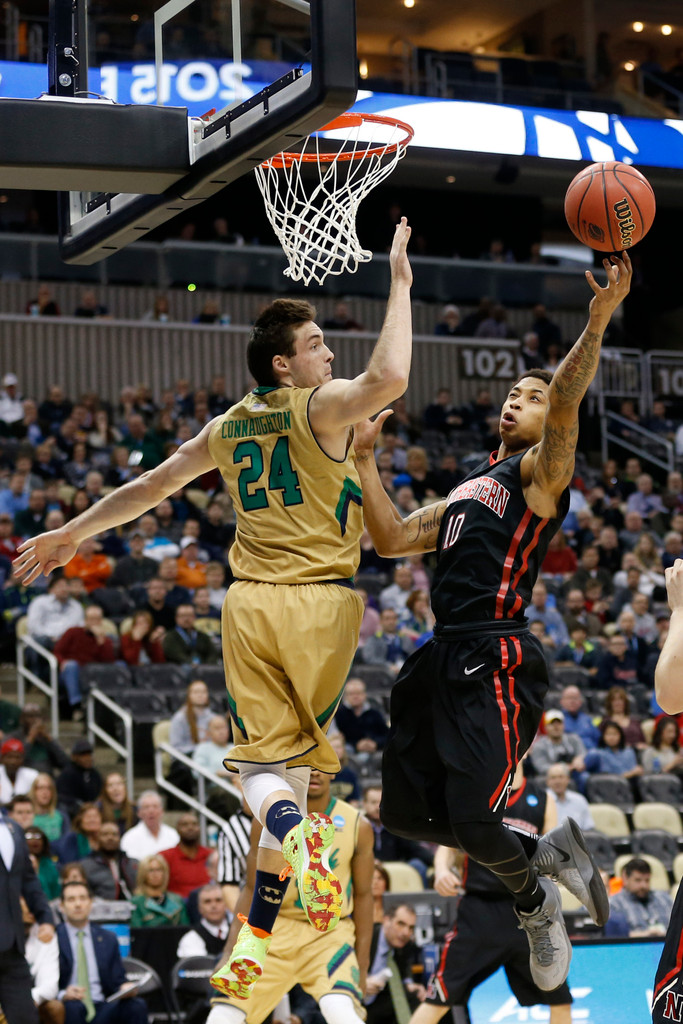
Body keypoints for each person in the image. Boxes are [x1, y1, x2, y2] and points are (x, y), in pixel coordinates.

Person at [14, 220, 415, 1001]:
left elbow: (147, 489)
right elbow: (390, 377)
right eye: (316, 344)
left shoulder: (227, 427)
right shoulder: (318, 408)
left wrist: (70, 531)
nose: (328, 354)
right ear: (283, 363)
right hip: (324, 609)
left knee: (266, 778)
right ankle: (278, 902)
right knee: (291, 779)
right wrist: (397, 281)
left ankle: (280, 884)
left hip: (252, 605)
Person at [352, 253, 631, 992]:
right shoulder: (466, 489)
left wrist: (597, 316)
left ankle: (535, 901)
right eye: (511, 393)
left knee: (476, 823)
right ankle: (549, 853)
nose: (517, 400)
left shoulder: (539, 477)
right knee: (409, 818)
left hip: (496, 659)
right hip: (438, 658)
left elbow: (568, 399)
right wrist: (363, 461)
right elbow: (385, 540)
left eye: (530, 397)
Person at [207, 767, 373, 1024]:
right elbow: (252, 888)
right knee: (223, 1016)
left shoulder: (357, 824)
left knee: (340, 1010)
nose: (315, 773)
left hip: (328, 935)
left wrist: (362, 965)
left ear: (334, 772)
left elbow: (363, 896)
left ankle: (303, 850)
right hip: (274, 927)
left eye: (321, 767)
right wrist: (230, 950)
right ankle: (303, 847)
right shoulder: (263, 819)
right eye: (309, 767)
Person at [418, 760, 572, 1024]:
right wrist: (442, 870)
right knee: (438, 998)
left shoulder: (542, 798)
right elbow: (449, 843)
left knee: (560, 1001)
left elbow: (552, 854)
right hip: (479, 912)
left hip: (528, 913)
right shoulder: (476, 792)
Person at [56, 880, 148, 1024]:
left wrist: (125, 987)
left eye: (82, 898)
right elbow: (45, 981)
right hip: (69, 1003)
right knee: (73, 1008)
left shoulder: (107, 938)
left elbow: (118, 979)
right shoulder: (54, 938)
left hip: (102, 1004)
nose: (78, 904)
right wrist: (63, 994)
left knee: (136, 1006)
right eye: (71, 899)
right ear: (61, 906)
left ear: (90, 903)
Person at [0, 800, 55, 1024]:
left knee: (25, 1018)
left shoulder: (13, 829)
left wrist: (45, 918)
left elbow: (28, 881)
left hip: (12, 947)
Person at [364, 903, 425, 1024]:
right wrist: (359, 983)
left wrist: (410, 984)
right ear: (386, 920)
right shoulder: (366, 936)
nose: (406, 932)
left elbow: (406, 970)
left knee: (417, 996)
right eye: (401, 924)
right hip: (356, 996)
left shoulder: (406, 945)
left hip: (381, 999)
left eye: (411, 927)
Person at [53, 606, 117, 721]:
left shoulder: (105, 639)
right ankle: (78, 705)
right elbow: (57, 651)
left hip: (93, 674)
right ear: (85, 620)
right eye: (91, 619)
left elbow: (109, 662)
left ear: (101, 621)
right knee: (72, 666)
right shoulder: (73, 632)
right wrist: (63, 662)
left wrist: (101, 641)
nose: (94, 623)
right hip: (71, 672)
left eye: (97, 619)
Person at [606, 858, 672, 938]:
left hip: (668, 945)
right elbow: (616, 936)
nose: (643, 886)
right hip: (634, 947)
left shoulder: (664, 898)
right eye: (638, 880)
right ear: (625, 879)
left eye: (647, 880)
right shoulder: (614, 904)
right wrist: (647, 935)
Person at [21, 895, 62, 1024]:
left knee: (55, 1008)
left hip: (31, 1000)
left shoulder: (45, 933)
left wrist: (25, 999)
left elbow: (50, 987)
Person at [80, 822, 138, 901]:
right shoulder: (86, 866)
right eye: (105, 834)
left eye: (114, 834)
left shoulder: (132, 864)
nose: (110, 838)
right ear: (98, 838)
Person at [160, 811, 211, 899]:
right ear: (177, 829)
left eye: (194, 824)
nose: (190, 828)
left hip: (207, 905)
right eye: (185, 825)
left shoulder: (211, 856)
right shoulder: (165, 856)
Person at [129, 854, 189, 927]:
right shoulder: (136, 902)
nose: (155, 874)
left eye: (159, 870)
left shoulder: (177, 900)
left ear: (165, 873)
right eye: (150, 870)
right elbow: (136, 930)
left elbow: (186, 928)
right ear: (143, 874)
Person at [334, 678, 390, 754]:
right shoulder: (338, 714)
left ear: (364, 694)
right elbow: (335, 737)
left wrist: (375, 743)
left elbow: (386, 735)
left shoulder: (374, 713)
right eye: (351, 694)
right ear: (345, 696)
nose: (355, 696)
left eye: (358, 693)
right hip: (349, 752)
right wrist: (356, 744)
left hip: (375, 751)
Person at [177, 883, 232, 958]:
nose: (214, 906)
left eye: (218, 900)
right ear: (199, 908)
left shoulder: (240, 933)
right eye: (207, 901)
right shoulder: (191, 938)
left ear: (226, 905)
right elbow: (200, 966)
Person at [119, 790, 179, 860]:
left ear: (162, 811)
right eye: (146, 807)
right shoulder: (129, 838)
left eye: (155, 806)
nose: (151, 811)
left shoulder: (173, 835)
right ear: (139, 813)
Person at [55, 741, 102, 819]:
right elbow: (62, 796)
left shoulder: (95, 775)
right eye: (83, 755)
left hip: (92, 808)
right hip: (73, 811)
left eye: (89, 754)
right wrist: (80, 804)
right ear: (74, 757)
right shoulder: (67, 774)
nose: (87, 758)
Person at [545, 764, 594, 831]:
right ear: (547, 781)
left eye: (561, 777)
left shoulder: (580, 800)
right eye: (553, 778)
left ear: (568, 779)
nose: (557, 781)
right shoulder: (542, 800)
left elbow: (589, 827)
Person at [25, 827, 62, 900]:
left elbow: (56, 893)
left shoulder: (50, 865)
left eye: (38, 837)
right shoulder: (17, 864)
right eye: (29, 837)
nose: (35, 840)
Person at [97, 771, 137, 836]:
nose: (115, 789)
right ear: (105, 790)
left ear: (125, 787)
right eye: (110, 785)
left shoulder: (135, 809)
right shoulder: (98, 810)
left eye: (119, 784)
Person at [0, 738, 39, 803]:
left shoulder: (32, 775)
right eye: (9, 757)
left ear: (23, 759)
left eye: (17, 757)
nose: (13, 762)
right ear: (2, 758)